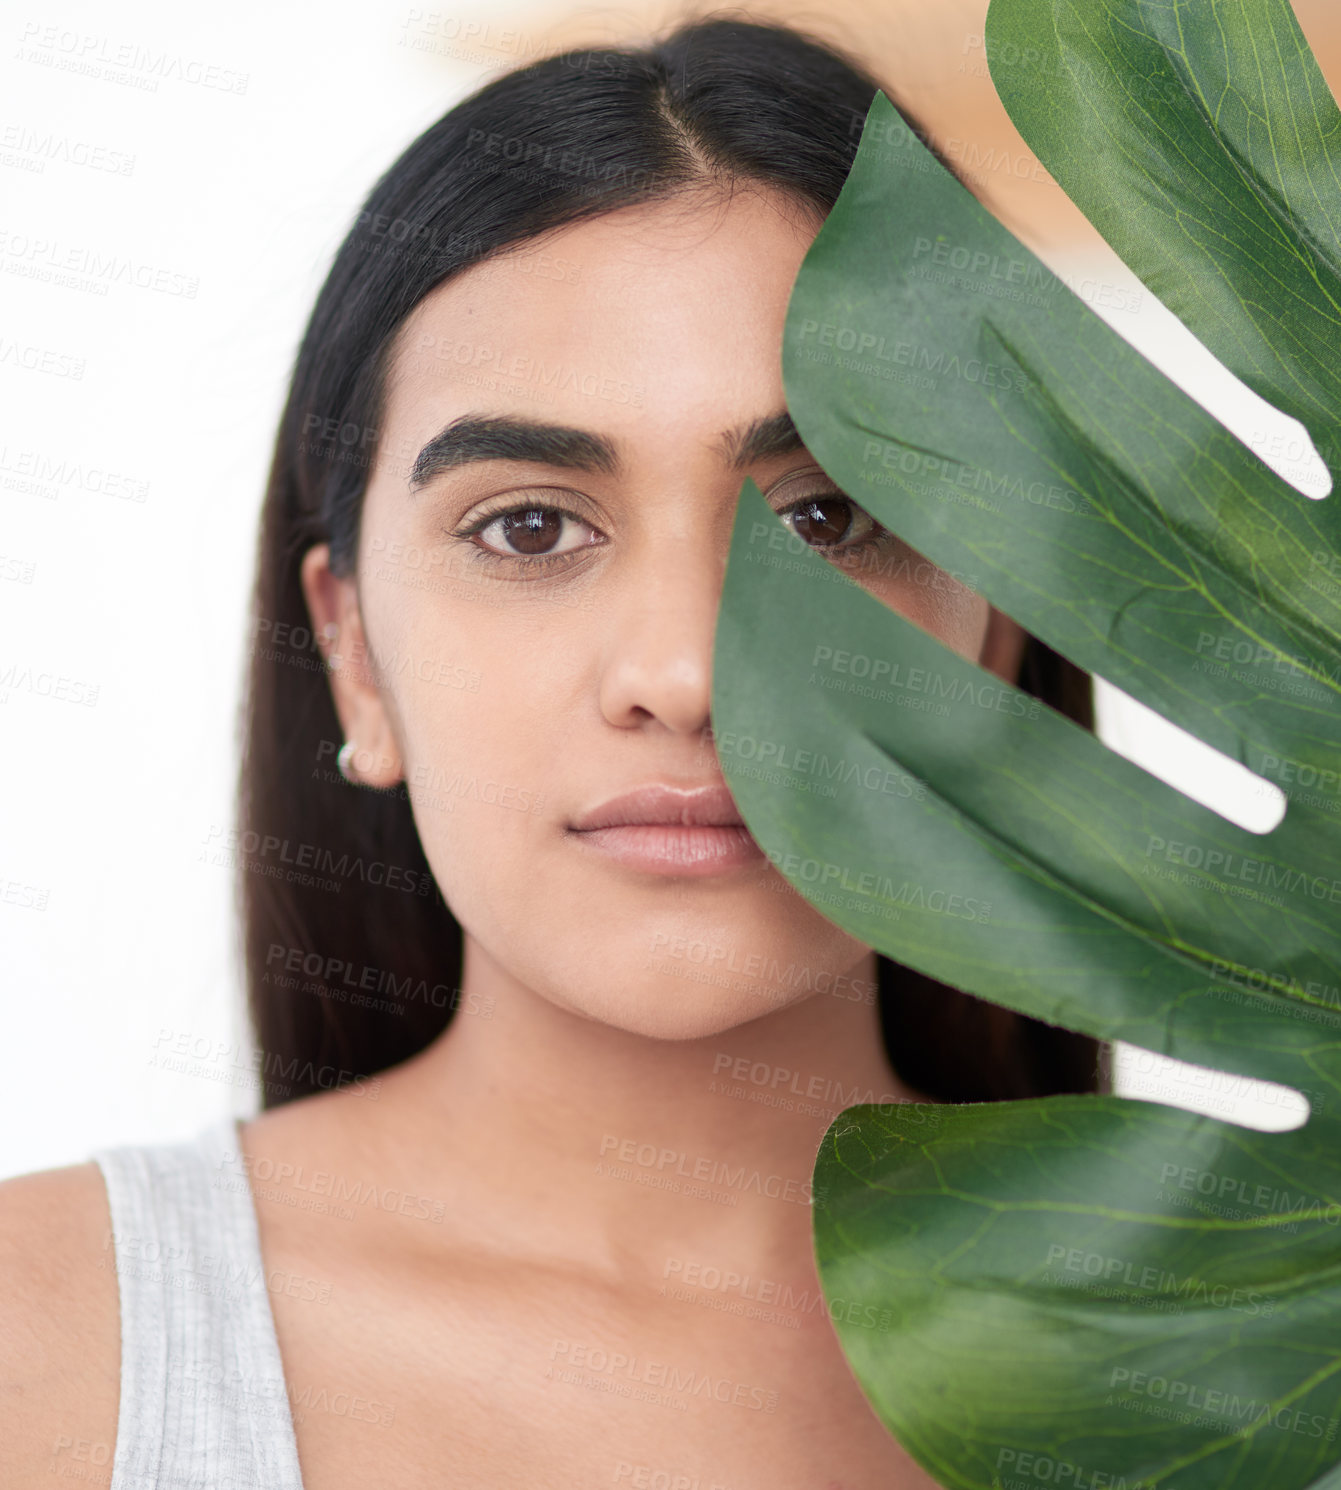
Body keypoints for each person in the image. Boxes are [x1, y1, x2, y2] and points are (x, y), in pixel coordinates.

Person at [0, 16, 1106, 1487]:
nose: (681, 671)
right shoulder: (43, 1346)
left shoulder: (1266, 1357)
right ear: (352, 651)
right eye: (528, 527)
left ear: (1002, 623)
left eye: (828, 517)